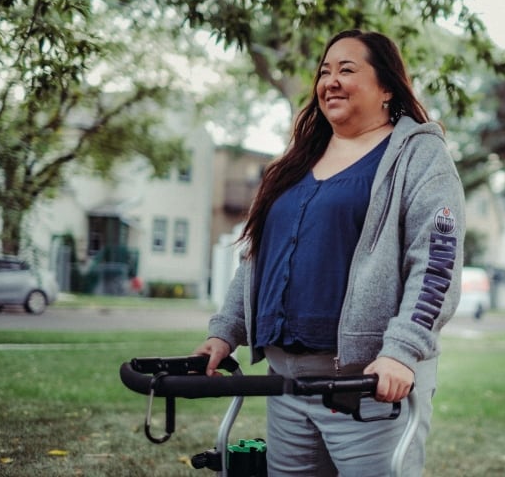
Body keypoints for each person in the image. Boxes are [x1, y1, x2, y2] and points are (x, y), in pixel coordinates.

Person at [194, 28, 465, 477]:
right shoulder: (297, 160)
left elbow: (435, 265)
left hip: (368, 389)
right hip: (285, 382)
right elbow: (258, 255)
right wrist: (225, 332)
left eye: (347, 70)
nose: (330, 81)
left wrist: (402, 351)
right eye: (324, 71)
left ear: (386, 88)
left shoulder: (420, 157)